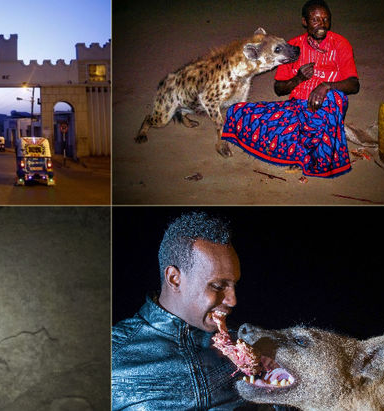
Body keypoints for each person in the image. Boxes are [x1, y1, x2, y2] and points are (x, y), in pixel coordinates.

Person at [112, 212, 251, 410]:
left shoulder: (244, 346)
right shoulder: (114, 356)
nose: (233, 300)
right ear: (174, 278)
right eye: (218, 286)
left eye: (234, 285)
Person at [221, 0, 359, 178]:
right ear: (305, 22)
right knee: (238, 112)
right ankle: (303, 144)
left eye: (325, 19)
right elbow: (279, 89)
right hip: (297, 108)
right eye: (316, 20)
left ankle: (314, 155)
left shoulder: (340, 44)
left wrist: (326, 86)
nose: (322, 25)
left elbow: (354, 84)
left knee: (334, 99)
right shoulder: (293, 47)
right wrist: (299, 78)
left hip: (326, 105)